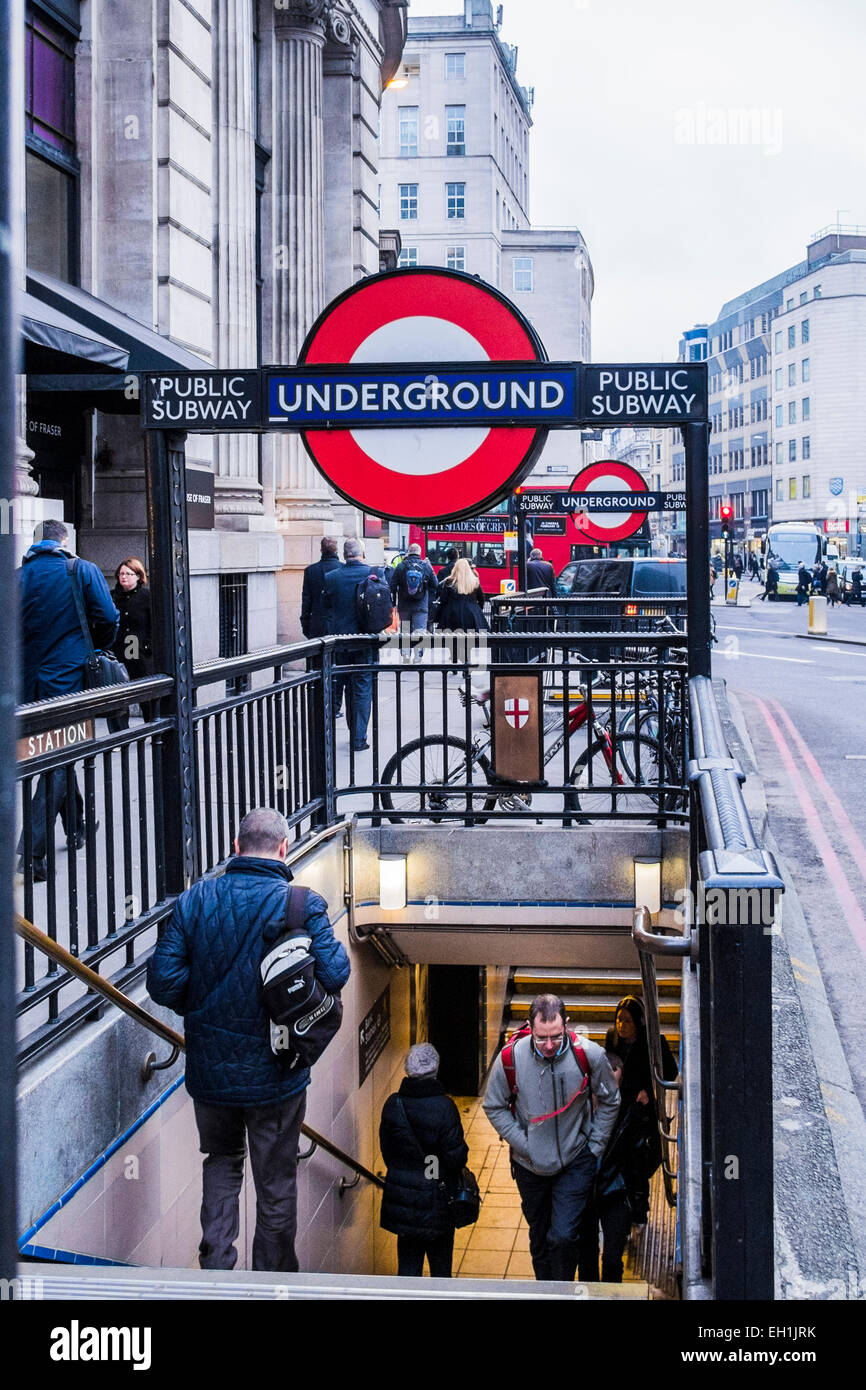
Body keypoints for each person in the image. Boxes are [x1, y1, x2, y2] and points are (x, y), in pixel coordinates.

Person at [147, 806, 350, 1272]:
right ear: (283, 849)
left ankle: (217, 1270)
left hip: (211, 1076)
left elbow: (163, 983)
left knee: (220, 1161)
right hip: (277, 1078)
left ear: (235, 848)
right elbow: (337, 973)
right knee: (275, 1184)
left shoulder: (195, 901)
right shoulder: (301, 904)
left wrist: (203, 1012)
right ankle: (272, 1280)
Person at [482, 993, 619, 1282]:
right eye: (540, 1037)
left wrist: (595, 1146)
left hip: (575, 1159)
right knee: (540, 1236)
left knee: (564, 1235)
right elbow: (493, 1105)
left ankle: (562, 1289)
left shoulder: (589, 1055)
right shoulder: (511, 1058)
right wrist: (524, 1144)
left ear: (566, 1025)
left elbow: (610, 1100)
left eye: (555, 1037)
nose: (547, 1045)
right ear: (529, 1027)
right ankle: (546, 1288)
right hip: (529, 1165)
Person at [17, 518, 119, 882]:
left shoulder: (16, 577)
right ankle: (33, 853)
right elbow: (108, 617)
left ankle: (77, 826)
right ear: (64, 541)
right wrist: (92, 646)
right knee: (60, 758)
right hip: (69, 681)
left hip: (25, 687)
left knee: (58, 755)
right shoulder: (81, 569)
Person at [379, 1043, 468, 1278]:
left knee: (408, 1269)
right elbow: (455, 1157)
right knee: (441, 1270)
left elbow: (388, 1152)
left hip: (404, 1201)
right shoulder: (445, 1107)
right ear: (435, 1070)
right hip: (438, 1200)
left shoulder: (393, 1104)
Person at [577, 1051, 651, 1284]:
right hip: (586, 1193)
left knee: (611, 1260)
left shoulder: (630, 1113)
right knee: (586, 1260)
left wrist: (639, 1207)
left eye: (615, 1087)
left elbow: (638, 1165)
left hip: (616, 1193)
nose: (609, 1093)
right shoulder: (578, 1109)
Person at [604, 996, 678, 1185]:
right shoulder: (612, 1038)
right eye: (619, 1020)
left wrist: (649, 1089)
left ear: (638, 1022)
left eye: (627, 1021)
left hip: (641, 1105)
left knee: (638, 1154)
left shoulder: (653, 1042)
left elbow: (670, 1071)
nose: (621, 1025)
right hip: (618, 1102)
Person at [324, 537, 378, 751]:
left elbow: (327, 608)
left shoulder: (331, 577)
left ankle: (333, 736)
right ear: (362, 553)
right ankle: (358, 738)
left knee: (341, 686)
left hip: (340, 642)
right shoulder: (375, 573)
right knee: (362, 690)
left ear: (344, 555)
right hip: (365, 641)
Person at [110, 556, 154, 727]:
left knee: (145, 691)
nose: (124, 577)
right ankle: (120, 733)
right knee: (118, 693)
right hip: (118, 649)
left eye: (128, 573)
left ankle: (152, 726)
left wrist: (148, 645)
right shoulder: (113, 596)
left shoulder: (146, 596)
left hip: (139, 649)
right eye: (121, 573)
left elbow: (154, 623)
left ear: (138, 576)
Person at [389, 542, 438, 644]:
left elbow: (392, 585)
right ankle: (417, 658)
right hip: (421, 606)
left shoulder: (401, 566)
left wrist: (394, 603)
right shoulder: (426, 566)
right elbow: (435, 584)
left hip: (404, 606)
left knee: (405, 633)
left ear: (408, 552)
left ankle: (406, 656)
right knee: (419, 634)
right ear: (419, 553)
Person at [300, 536, 341, 639]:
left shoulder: (310, 570)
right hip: (339, 627)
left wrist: (306, 626)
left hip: (317, 626)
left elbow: (306, 602)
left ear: (321, 550)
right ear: (336, 550)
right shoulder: (343, 569)